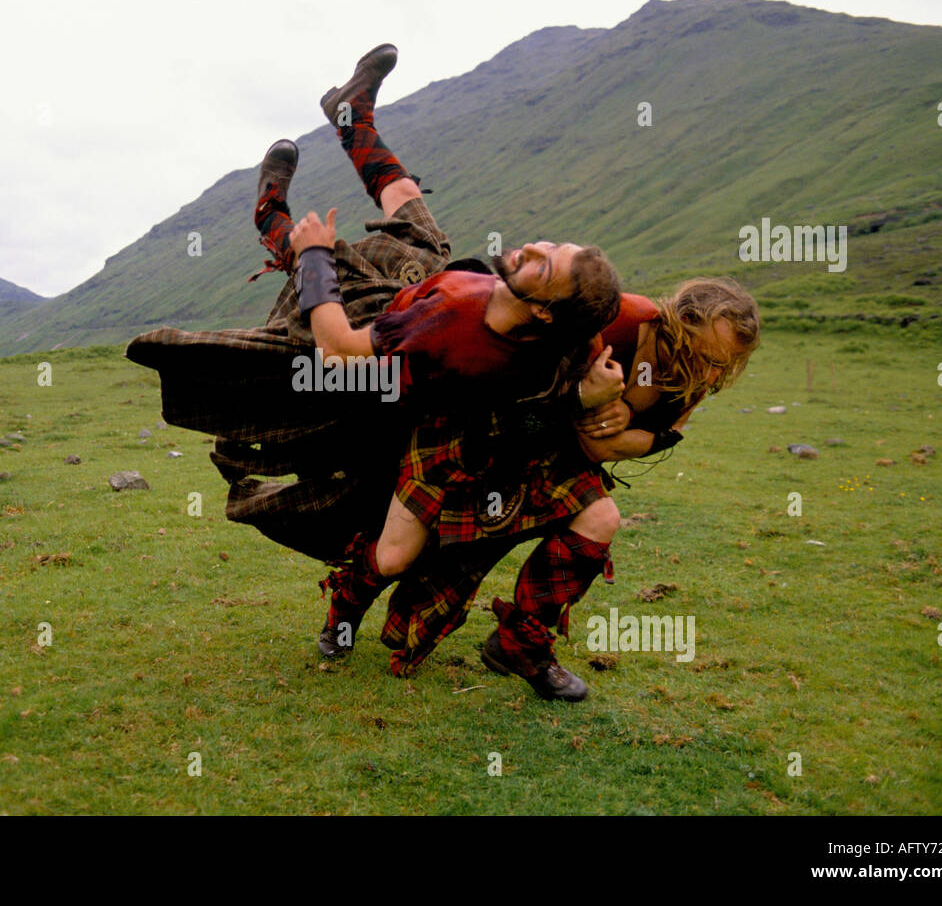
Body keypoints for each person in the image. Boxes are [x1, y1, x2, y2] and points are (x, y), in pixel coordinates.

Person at [127, 43, 623, 571]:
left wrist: (316, 255)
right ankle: (351, 117)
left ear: (545, 310)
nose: (532, 248)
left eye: (543, 267)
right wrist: (601, 395)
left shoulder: (447, 324)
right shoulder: (573, 327)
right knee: (413, 212)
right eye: (550, 245)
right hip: (420, 294)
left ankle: (270, 214)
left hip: (362, 338)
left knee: (318, 257)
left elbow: (339, 353)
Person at [374, 278, 761, 701]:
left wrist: (637, 426)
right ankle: (349, 601)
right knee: (398, 558)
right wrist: (586, 401)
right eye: (704, 358)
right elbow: (575, 425)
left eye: (723, 366)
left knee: (601, 518)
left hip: (557, 458)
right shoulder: (620, 322)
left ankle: (520, 645)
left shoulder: (699, 370)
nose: (709, 374)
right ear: (685, 320)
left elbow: (639, 438)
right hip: (483, 439)